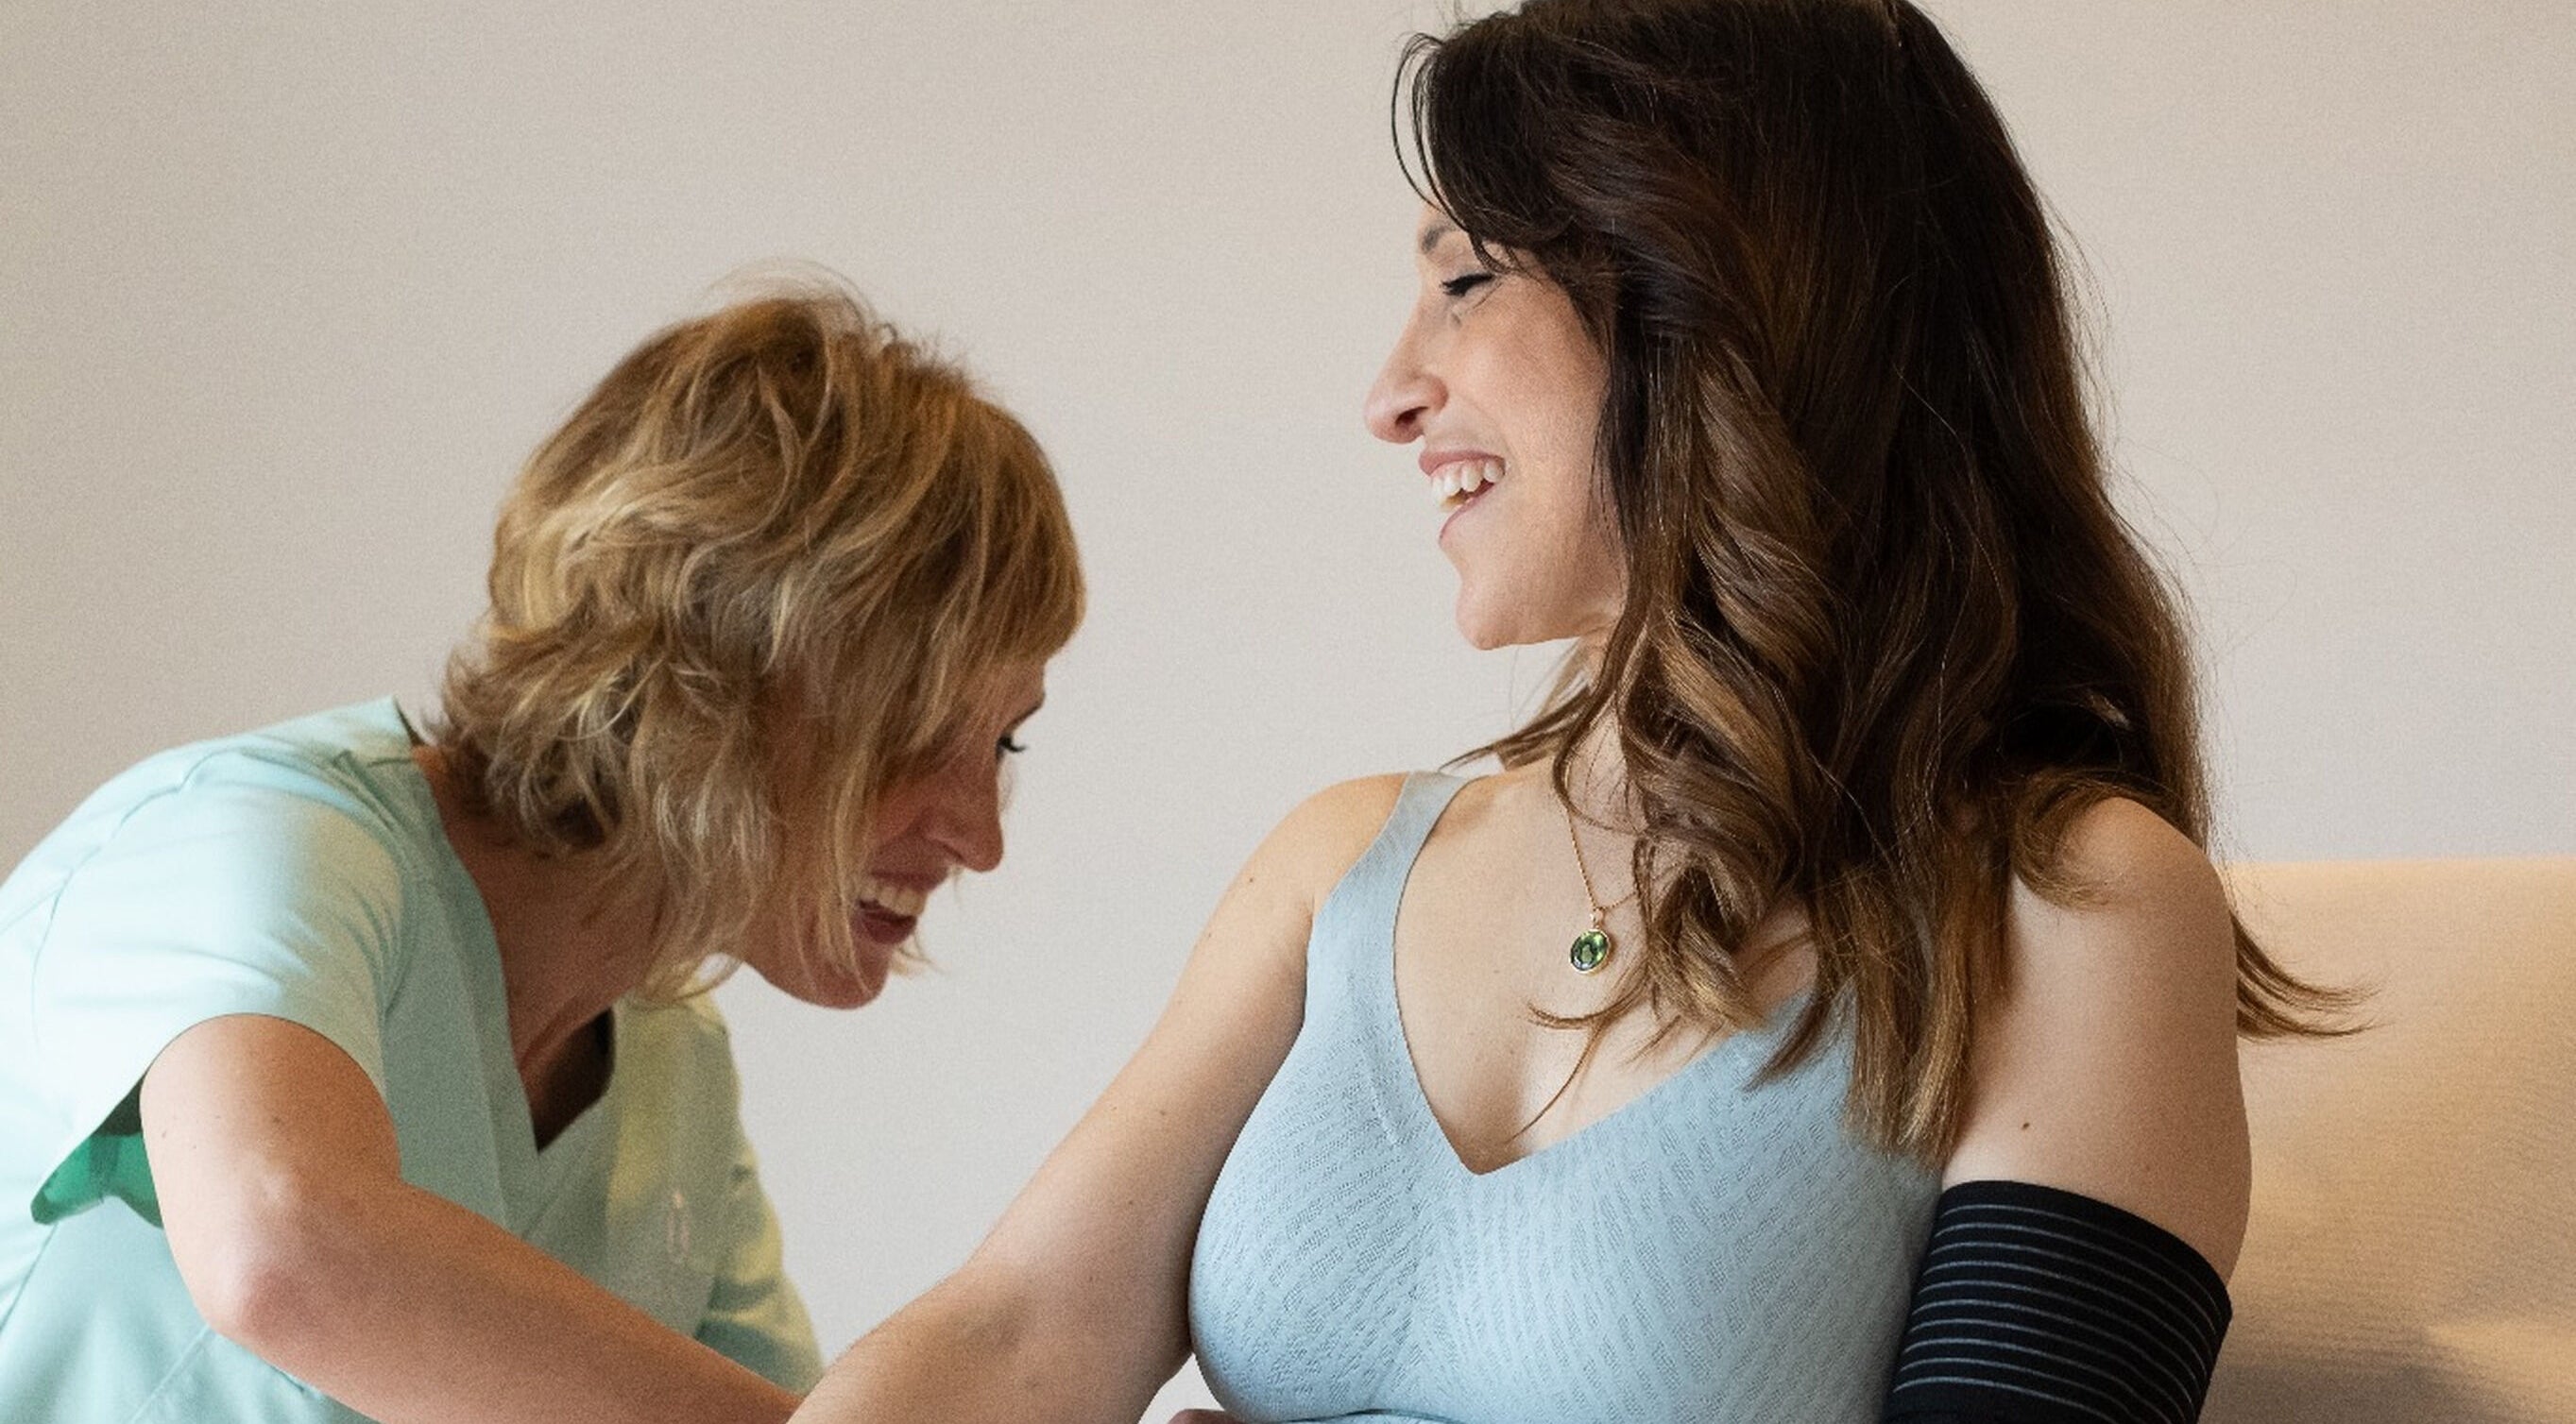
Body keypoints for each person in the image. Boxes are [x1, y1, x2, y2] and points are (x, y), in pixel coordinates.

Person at [791, 3, 2343, 1421]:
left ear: (1720, 306)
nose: (1390, 393)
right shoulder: (1342, 863)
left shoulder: (2075, 907)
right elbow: (1019, 1329)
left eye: (1465, 281)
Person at [0, 281, 1083, 1424]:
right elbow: (281, 1244)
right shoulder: (260, 841)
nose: (981, 831)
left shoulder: (674, 1070)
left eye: (1003, 736)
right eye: (910, 728)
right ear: (698, 680)